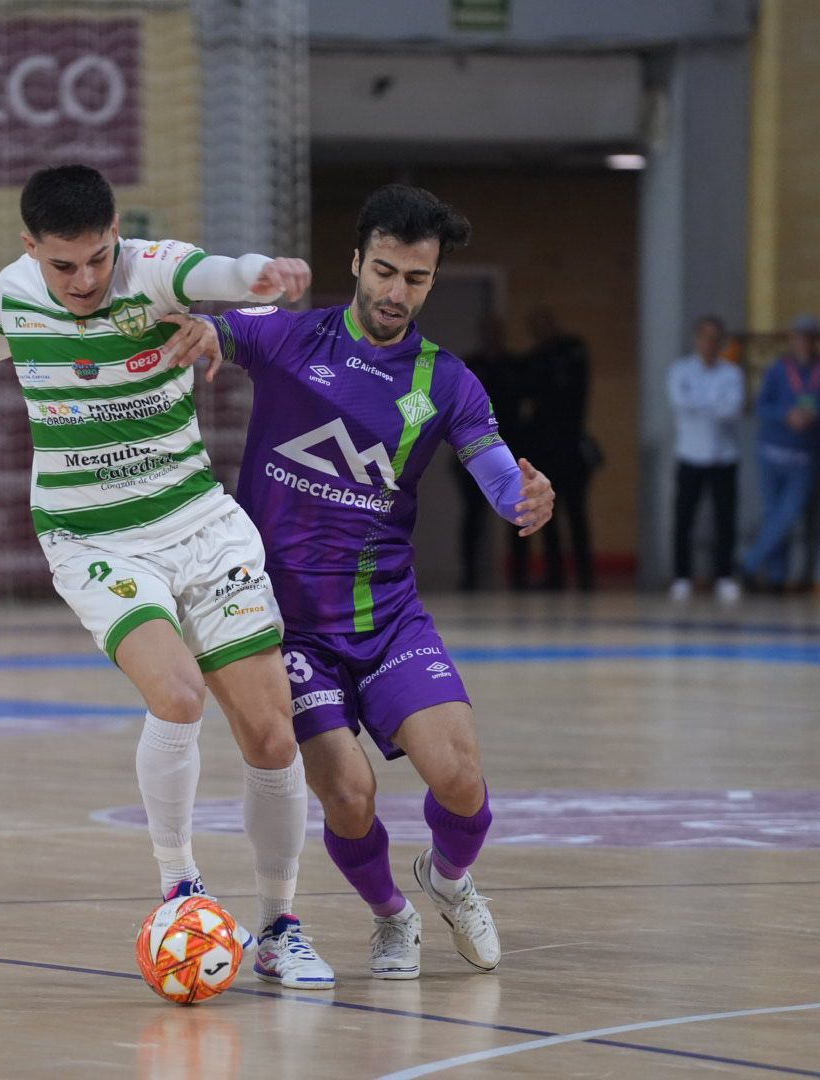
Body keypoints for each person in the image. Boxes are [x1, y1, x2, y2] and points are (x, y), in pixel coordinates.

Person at [0, 164, 335, 988]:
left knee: (271, 732)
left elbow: (216, 274)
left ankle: (280, 924)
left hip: (198, 521)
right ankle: (179, 886)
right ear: (30, 249)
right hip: (92, 538)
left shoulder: (153, 271)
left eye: (98, 259)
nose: (83, 281)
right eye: (63, 265)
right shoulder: (17, 290)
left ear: (118, 236)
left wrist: (264, 275)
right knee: (177, 694)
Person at [207, 184, 555, 979]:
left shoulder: (447, 381)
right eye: (386, 272)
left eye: (417, 279)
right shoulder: (291, 341)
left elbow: (497, 472)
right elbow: (208, 333)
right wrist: (188, 330)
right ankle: (390, 916)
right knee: (351, 793)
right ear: (357, 262)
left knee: (461, 778)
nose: (397, 292)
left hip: (388, 615)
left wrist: (523, 497)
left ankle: (449, 879)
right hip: (291, 629)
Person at [741, 314, 820, 592]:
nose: (805, 343)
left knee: (789, 513)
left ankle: (749, 563)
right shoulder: (778, 369)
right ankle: (777, 577)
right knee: (774, 514)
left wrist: (816, 413)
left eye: (810, 338)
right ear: (792, 340)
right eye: (800, 337)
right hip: (772, 451)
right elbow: (762, 405)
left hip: (804, 454)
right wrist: (786, 415)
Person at [514, 306, 593, 590]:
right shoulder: (534, 360)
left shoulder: (572, 350)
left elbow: (572, 393)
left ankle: (585, 575)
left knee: (576, 511)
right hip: (543, 446)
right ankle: (555, 575)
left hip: (569, 445)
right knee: (547, 511)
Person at [666, 315, 744, 603]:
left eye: (716, 339)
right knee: (684, 518)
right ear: (697, 340)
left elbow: (731, 409)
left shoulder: (732, 373)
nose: (710, 344)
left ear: (721, 342)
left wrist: (701, 405)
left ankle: (724, 576)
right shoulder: (681, 371)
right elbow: (679, 404)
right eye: (705, 338)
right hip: (690, 453)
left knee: (725, 520)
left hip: (724, 456)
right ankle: (682, 577)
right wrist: (712, 404)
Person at [450, 315, 518, 590]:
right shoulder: (469, 367)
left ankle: (519, 575)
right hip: (470, 450)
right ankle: (469, 575)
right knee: (472, 516)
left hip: (508, 446)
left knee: (518, 508)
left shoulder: (514, 366)